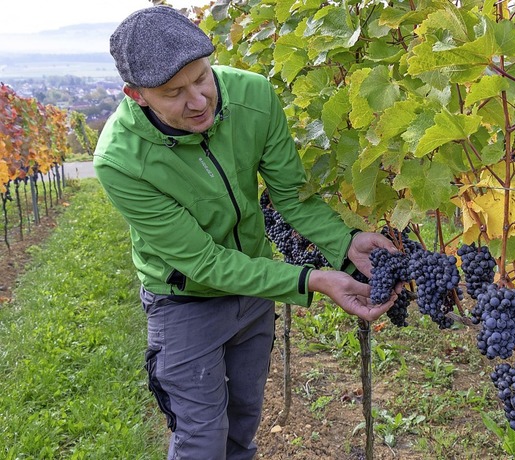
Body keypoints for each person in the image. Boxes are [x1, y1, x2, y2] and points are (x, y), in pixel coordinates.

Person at [94, 5, 399, 460]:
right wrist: (308, 280)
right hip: (184, 302)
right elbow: (204, 262)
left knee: (242, 426)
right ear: (137, 96)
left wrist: (344, 243)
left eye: (201, 78)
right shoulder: (120, 161)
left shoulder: (252, 96)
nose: (197, 101)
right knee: (201, 440)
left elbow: (292, 196)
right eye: (173, 93)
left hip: (254, 292)